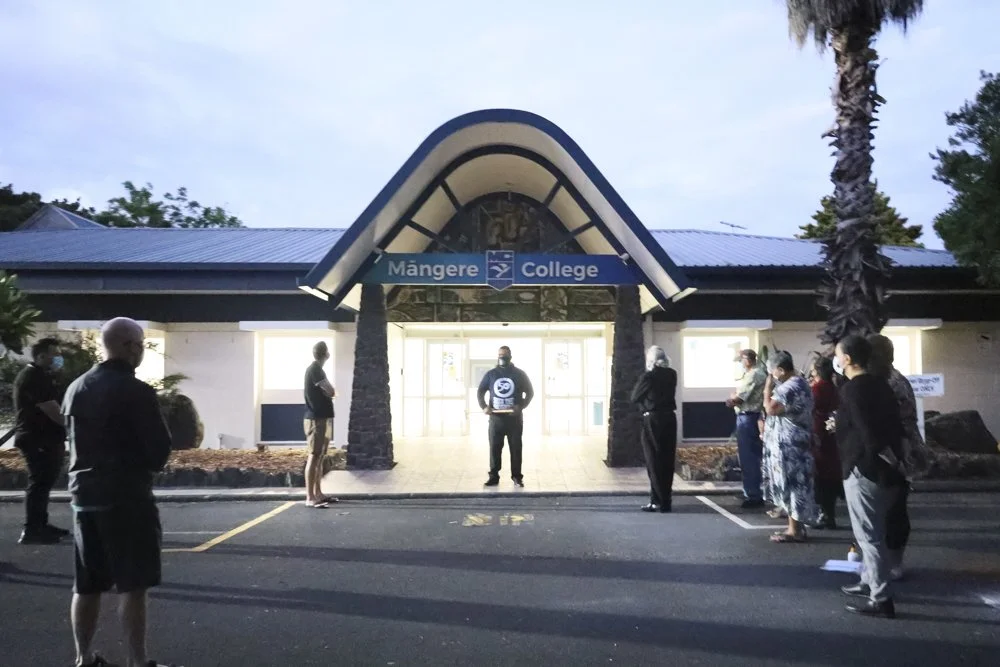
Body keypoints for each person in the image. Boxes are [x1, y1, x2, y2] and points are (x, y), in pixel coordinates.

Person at [62, 317, 176, 666]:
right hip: (126, 497)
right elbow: (158, 450)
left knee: (87, 584)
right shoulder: (135, 391)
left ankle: (84, 659)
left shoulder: (76, 387)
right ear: (128, 346)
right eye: (140, 343)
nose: (142, 350)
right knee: (133, 584)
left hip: (83, 497)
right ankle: (138, 662)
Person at [833, 334, 904, 619]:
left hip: (864, 468)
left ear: (848, 359)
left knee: (869, 537)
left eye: (838, 355)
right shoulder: (882, 385)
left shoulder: (853, 390)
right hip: (887, 469)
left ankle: (881, 598)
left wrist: (867, 459)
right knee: (877, 533)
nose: (836, 360)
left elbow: (867, 432)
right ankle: (869, 581)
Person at [868, 334, 918, 581]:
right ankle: (883, 561)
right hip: (886, 450)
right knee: (881, 509)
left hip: (899, 450)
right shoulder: (879, 380)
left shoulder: (893, 382)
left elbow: (897, 423)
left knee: (895, 509)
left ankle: (895, 562)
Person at [12, 337, 68, 545]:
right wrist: (71, 424)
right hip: (38, 438)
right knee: (40, 482)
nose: (59, 358)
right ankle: (32, 529)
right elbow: (52, 410)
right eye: (55, 354)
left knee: (43, 483)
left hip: (44, 437)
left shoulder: (40, 375)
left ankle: (40, 524)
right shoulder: (34, 377)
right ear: (41, 356)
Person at [761, 351, 818, 542]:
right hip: (796, 441)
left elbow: (771, 409)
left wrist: (767, 390)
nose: (771, 375)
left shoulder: (789, 388)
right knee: (797, 484)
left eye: (772, 372)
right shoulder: (801, 383)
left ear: (781, 369)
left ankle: (794, 530)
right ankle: (797, 528)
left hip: (789, 445)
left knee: (792, 484)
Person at [477, 345, 534, 487]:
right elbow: (480, 392)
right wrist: (484, 407)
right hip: (496, 420)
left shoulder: (519, 374)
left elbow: (530, 393)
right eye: (500, 355)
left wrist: (520, 406)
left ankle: (516, 477)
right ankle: (494, 476)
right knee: (495, 449)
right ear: (497, 357)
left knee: (516, 449)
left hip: (514, 420)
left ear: (510, 357)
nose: (502, 358)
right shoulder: (491, 374)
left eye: (505, 355)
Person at [630, 345, 678, 513]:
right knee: (667, 459)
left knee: (653, 459)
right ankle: (665, 499)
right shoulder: (672, 374)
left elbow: (634, 397)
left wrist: (645, 408)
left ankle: (658, 500)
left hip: (653, 418)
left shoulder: (648, 377)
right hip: (670, 418)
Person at [727, 349, 767, 509]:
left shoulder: (754, 375)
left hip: (748, 417)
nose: (740, 364)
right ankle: (751, 491)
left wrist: (730, 400)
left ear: (747, 360)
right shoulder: (756, 373)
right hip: (752, 416)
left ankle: (752, 494)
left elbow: (739, 398)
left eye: (741, 360)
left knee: (748, 458)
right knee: (752, 456)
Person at [303, 341, 337, 508]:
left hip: (322, 418)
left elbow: (330, 391)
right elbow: (331, 391)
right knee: (314, 455)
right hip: (316, 419)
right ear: (326, 354)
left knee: (320, 456)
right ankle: (310, 497)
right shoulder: (315, 370)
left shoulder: (317, 369)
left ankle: (318, 493)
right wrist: (328, 392)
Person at [809, 356, 842, 529]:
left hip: (818, 433)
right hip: (831, 434)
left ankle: (822, 513)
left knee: (819, 474)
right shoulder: (834, 388)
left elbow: (810, 407)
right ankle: (830, 513)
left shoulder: (817, 389)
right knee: (830, 473)